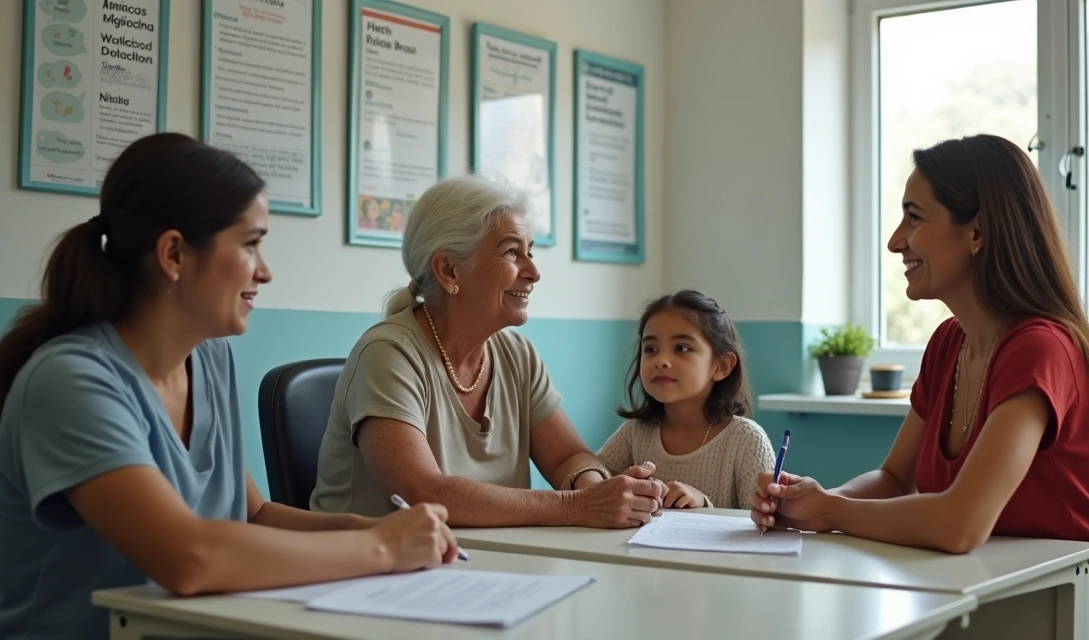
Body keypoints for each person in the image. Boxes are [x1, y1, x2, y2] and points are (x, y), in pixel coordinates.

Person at [0, 134, 459, 639]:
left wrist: (372, 529)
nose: (265, 271)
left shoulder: (208, 355)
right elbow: (187, 558)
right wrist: (385, 549)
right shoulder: (71, 381)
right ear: (174, 254)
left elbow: (253, 514)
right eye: (250, 243)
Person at [749, 134, 1089, 640]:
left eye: (914, 217)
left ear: (976, 231)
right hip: (999, 617)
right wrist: (821, 498)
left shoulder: (1041, 348)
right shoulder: (948, 344)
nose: (895, 241)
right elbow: (894, 478)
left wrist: (831, 512)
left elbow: (961, 525)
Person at [310, 174, 667, 527]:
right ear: (449, 269)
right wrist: (578, 507)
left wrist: (592, 488)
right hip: (370, 572)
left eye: (530, 251)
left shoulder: (517, 354)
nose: (533, 272)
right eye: (512, 252)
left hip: (479, 566)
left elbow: (568, 458)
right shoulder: (386, 354)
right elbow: (422, 494)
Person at [597, 290, 775, 509]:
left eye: (682, 348)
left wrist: (704, 505)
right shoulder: (635, 433)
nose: (661, 361)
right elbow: (594, 490)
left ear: (722, 366)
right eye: (651, 349)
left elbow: (763, 525)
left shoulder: (746, 440)